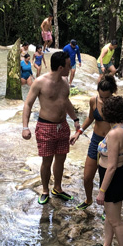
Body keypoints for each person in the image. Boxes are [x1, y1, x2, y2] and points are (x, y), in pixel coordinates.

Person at [22, 50, 80, 204]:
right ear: (61, 67)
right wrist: (25, 127)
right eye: (68, 65)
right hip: (45, 126)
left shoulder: (65, 82)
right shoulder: (40, 82)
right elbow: (28, 104)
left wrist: (75, 119)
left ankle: (58, 188)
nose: (71, 67)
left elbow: (66, 102)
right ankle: (45, 190)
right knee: (46, 161)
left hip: (62, 126)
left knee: (61, 159)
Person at [87, 95, 123, 246]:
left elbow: (111, 165)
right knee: (111, 215)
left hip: (111, 176)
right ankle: (107, 245)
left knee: (116, 221)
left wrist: (102, 191)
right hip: (118, 174)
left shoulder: (114, 134)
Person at [70, 75, 119, 210]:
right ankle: (88, 199)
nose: (103, 100)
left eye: (106, 97)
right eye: (101, 96)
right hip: (96, 141)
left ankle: (108, 208)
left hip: (111, 143)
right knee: (87, 177)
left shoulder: (117, 103)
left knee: (108, 179)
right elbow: (90, 118)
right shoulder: (93, 101)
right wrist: (78, 133)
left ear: (112, 93)